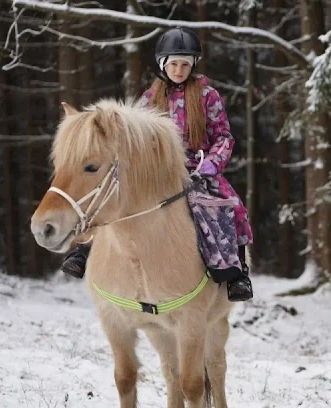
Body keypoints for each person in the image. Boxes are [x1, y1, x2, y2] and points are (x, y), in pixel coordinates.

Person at [61, 27, 254, 302]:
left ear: (193, 66)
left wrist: (211, 165)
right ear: (164, 64)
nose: (179, 69)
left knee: (231, 205)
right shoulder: (150, 98)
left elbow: (223, 136)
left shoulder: (207, 96)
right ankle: (84, 251)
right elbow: (132, 136)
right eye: (173, 63)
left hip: (197, 169)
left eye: (185, 64)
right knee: (114, 197)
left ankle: (237, 275)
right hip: (158, 170)